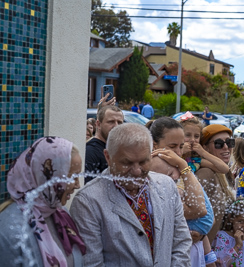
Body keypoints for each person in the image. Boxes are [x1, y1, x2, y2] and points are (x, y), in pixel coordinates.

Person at [70, 123, 192, 266]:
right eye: (127, 163)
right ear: (108, 157)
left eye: (143, 161)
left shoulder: (167, 185)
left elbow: (181, 243)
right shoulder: (88, 201)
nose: (137, 171)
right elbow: (92, 262)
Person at [0, 137, 86, 267]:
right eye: (72, 177)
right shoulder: (10, 230)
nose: (77, 185)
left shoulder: (60, 213)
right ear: (48, 176)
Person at [150, 156, 216, 267]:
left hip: (195, 250)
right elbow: (201, 211)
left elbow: (209, 218)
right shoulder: (166, 196)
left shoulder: (184, 181)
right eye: (167, 177)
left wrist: (208, 255)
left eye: (172, 173)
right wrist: (184, 166)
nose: (174, 178)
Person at [196, 124, 236, 242]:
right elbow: (195, 219)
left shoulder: (225, 173)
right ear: (205, 148)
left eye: (229, 142)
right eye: (218, 143)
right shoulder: (205, 173)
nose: (226, 147)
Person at [211, 199, 244, 267]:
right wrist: (238, 245)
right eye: (240, 221)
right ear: (231, 219)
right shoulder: (222, 237)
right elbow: (221, 263)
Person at [85, 105, 123, 184]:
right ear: (98, 124)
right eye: (111, 122)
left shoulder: (117, 150)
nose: (116, 126)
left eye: (119, 122)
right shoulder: (90, 151)